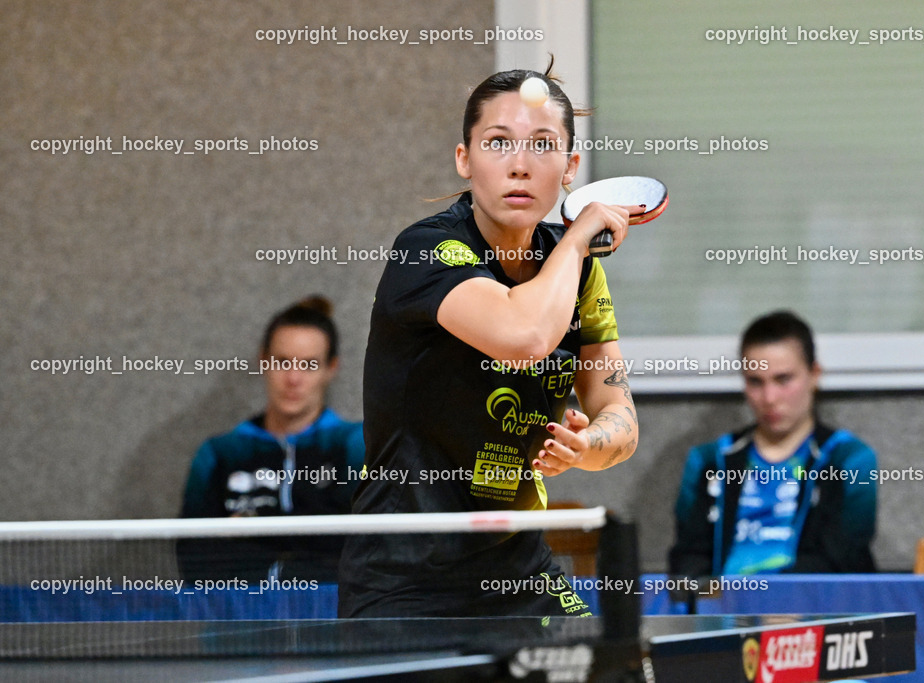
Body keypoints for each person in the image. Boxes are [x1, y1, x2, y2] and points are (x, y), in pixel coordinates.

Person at [337, 61, 639, 618]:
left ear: (571, 166)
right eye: (498, 143)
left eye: (542, 145)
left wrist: (586, 447)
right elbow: (523, 336)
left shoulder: (577, 270)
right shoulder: (426, 251)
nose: (520, 165)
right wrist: (575, 243)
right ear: (464, 160)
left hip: (521, 570)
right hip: (407, 582)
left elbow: (619, 416)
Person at [669, 310, 877, 577]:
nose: (769, 397)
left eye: (783, 379)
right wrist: (718, 603)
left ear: (814, 375)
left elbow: (841, 562)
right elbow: (687, 561)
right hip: (724, 610)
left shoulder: (849, 459)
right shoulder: (709, 460)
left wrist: (772, 600)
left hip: (810, 610)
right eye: (755, 382)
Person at [178, 295, 364, 582]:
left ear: (332, 368)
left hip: (333, 618)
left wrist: (252, 529)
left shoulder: (354, 445)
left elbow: (363, 547)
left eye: (309, 365)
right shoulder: (220, 453)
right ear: (263, 361)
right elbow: (196, 558)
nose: (293, 378)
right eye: (282, 361)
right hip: (241, 619)